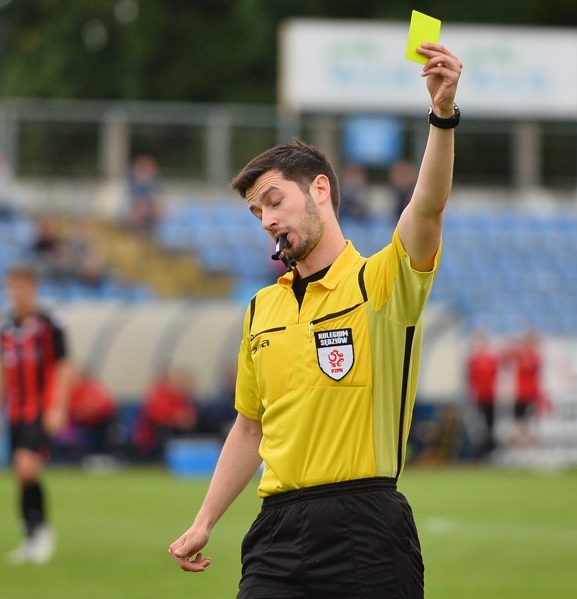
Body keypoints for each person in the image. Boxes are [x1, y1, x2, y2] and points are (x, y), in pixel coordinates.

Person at [168, 43, 462, 599]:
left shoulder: (379, 283)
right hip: (276, 530)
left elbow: (427, 207)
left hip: (367, 528)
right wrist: (204, 520)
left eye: (274, 201)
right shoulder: (262, 308)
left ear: (320, 189)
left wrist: (442, 116)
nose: (267, 220)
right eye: (257, 211)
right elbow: (250, 427)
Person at [0, 264, 72, 564]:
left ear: (33, 288)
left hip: (41, 408)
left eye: (21, 287)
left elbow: (63, 366)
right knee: (21, 474)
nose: (16, 294)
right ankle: (31, 534)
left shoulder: (50, 324)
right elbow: (2, 371)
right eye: (12, 288)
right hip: (16, 411)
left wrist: (59, 406)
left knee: (26, 467)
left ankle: (42, 531)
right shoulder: (5, 326)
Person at [133, 367, 198, 460]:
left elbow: (190, 418)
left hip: (174, 431)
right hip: (152, 435)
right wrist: (176, 418)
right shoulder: (159, 395)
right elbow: (157, 416)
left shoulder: (183, 398)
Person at [505, 329, 545, 447]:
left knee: (532, 418)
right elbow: (506, 356)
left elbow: (528, 366)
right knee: (519, 418)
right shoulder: (521, 353)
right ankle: (521, 440)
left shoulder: (535, 356)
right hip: (521, 393)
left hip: (531, 392)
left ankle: (532, 441)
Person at [466, 329, 500, 457]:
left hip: (490, 397)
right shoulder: (474, 360)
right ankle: (478, 452)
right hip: (478, 397)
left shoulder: (492, 359)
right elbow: (470, 378)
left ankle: (490, 451)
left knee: (490, 425)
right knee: (478, 426)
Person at [127, 154, 163, 235]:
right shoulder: (133, 184)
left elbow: (158, 205)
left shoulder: (153, 185)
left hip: (147, 214)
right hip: (137, 214)